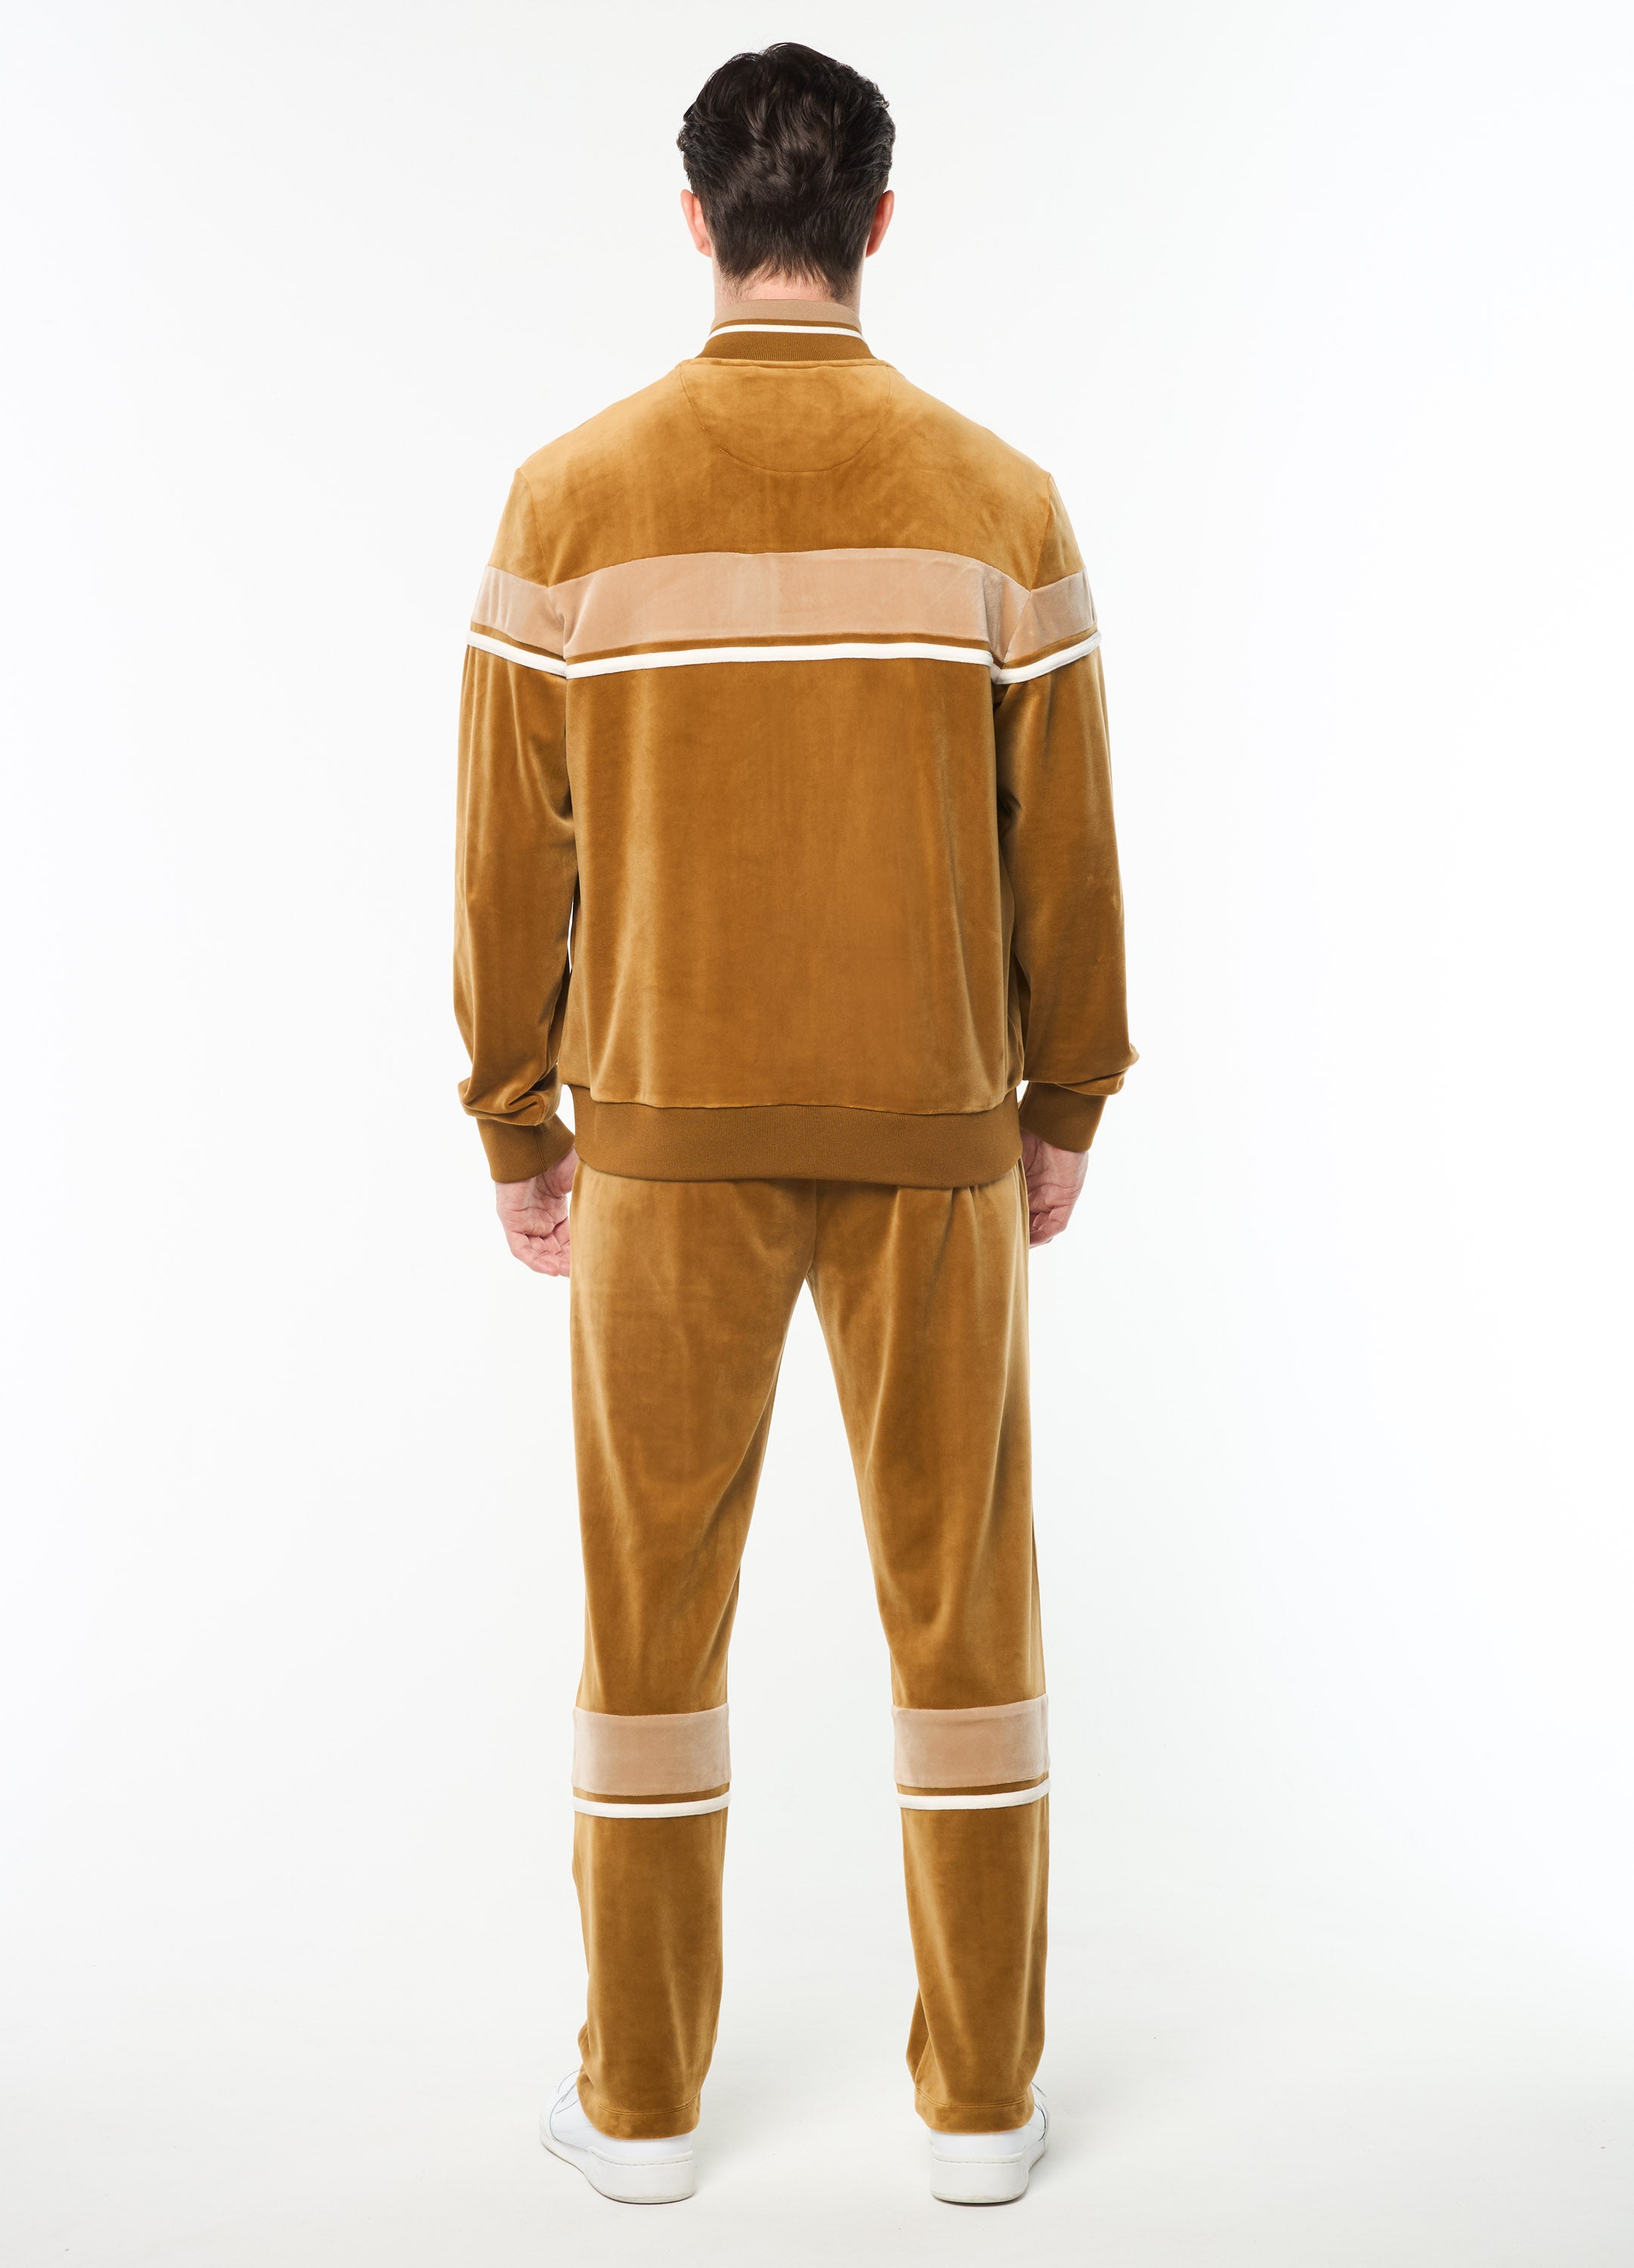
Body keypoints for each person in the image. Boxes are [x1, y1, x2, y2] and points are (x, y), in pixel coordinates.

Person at [454, 41, 1134, 2208]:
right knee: (968, 1618)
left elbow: (504, 863)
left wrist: (517, 1121)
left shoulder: (566, 501)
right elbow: (1069, 857)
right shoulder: (999, 501)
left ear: (696, 223)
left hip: (658, 1146)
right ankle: (984, 2111)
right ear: (877, 223)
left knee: (647, 1631)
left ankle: (642, 2110)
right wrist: (1063, 1097)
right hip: (937, 1140)